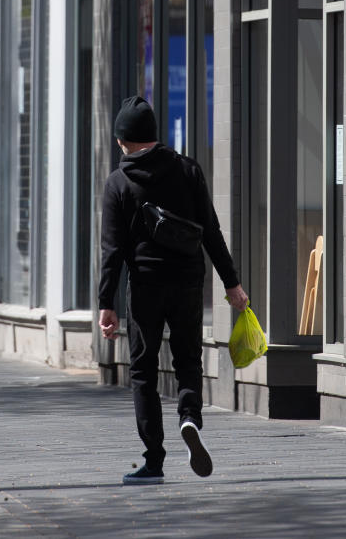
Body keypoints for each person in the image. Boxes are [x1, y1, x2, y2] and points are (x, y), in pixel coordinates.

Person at [98, 96, 248, 485]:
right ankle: (189, 417)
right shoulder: (187, 170)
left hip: (145, 287)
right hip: (186, 282)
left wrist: (105, 304)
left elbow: (112, 251)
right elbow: (211, 232)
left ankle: (154, 460)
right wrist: (231, 283)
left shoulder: (118, 183)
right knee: (187, 359)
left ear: (123, 141)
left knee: (145, 371)